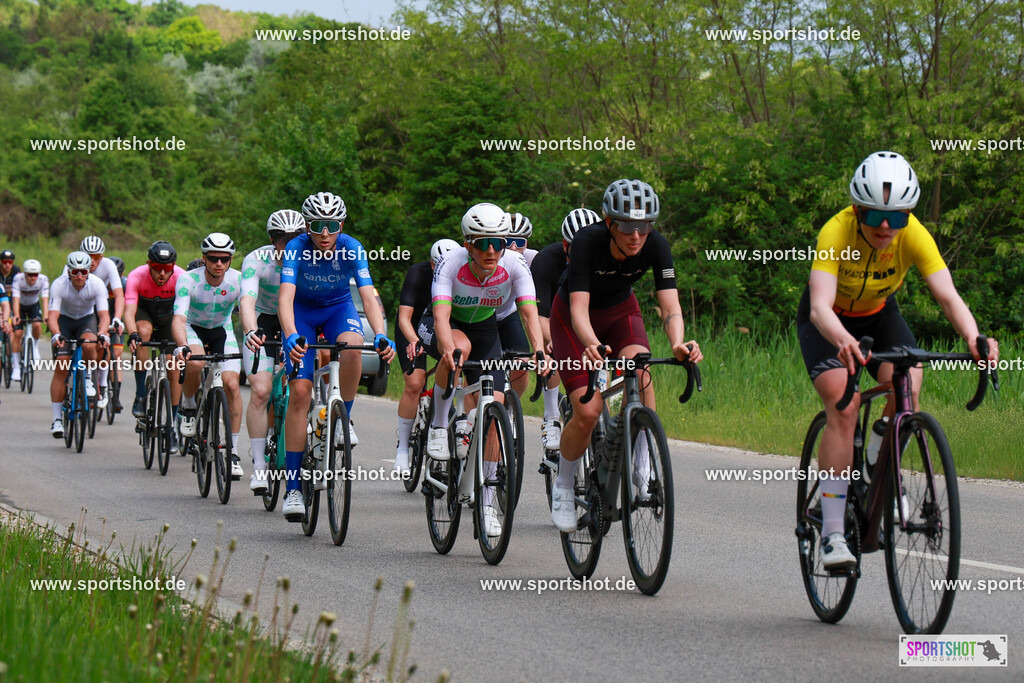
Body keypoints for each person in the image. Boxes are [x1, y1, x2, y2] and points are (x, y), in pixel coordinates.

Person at [798, 151, 998, 569]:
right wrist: (842, 340)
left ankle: (874, 459)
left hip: (879, 314)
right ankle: (833, 531)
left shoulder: (914, 235)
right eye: (874, 217)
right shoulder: (835, 232)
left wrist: (974, 336)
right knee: (844, 404)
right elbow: (820, 307)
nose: (886, 227)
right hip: (830, 321)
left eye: (897, 217)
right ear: (857, 210)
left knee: (909, 385)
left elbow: (947, 295)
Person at [548, 179, 702, 532]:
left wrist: (678, 342)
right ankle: (565, 485)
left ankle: (641, 459)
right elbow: (578, 312)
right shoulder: (588, 242)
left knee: (641, 367)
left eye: (644, 226)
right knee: (588, 410)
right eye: (628, 226)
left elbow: (670, 307)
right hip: (574, 320)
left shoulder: (656, 246)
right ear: (609, 222)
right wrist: (591, 343)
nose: (636, 235)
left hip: (620, 313)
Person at [420, 203, 546, 537]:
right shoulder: (451, 264)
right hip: (442, 325)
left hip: (485, 328)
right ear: (468, 243)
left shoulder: (515, 264)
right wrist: (447, 349)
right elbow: (443, 318)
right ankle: (437, 426)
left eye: (499, 242)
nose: (492, 251)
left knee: (496, 406)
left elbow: (529, 313)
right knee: (459, 349)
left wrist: (539, 351)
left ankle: (488, 502)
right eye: (483, 243)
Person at [279, 192, 395, 521]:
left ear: (341, 225)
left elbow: (368, 294)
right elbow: (285, 297)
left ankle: (344, 418)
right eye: (318, 226)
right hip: (301, 312)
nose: (325, 233)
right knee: (300, 393)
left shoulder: (352, 247)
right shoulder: (296, 248)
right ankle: (291, 487)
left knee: (354, 347)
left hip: (337, 309)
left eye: (332, 226)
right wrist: (289, 334)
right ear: (307, 226)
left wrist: (381, 330)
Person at [240, 209, 305, 494]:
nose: (289, 244)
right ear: (272, 239)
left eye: (295, 238)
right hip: (264, 321)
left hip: (297, 319)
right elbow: (247, 300)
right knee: (261, 390)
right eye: (283, 239)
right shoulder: (256, 260)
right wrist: (251, 330)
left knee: (310, 379)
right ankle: (259, 468)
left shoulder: (311, 258)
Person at [529, 208, 602, 453]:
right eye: (576, 248)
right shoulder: (546, 262)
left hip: (589, 321)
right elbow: (540, 317)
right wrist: (562, 342)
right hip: (554, 320)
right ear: (564, 246)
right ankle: (551, 416)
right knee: (554, 351)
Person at [172, 233, 245, 478]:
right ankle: (190, 407)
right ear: (204, 259)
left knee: (232, 385)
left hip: (221, 330)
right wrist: (182, 345)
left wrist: (252, 335)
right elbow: (179, 318)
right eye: (213, 258)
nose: (219, 264)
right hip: (193, 328)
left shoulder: (238, 280)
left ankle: (233, 452)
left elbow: (247, 311)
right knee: (197, 361)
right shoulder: (188, 280)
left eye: (225, 259)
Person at [393, 238, 460, 474]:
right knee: (415, 382)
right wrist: (413, 340)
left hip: (444, 326)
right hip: (412, 327)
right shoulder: (417, 273)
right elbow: (404, 317)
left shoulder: (461, 275)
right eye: (435, 265)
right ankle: (402, 449)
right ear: (430, 264)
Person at [125, 241, 185, 452]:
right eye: (156, 268)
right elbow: (129, 311)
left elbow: (185, 314)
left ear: (173, 267)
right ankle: (141, 394)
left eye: (166, 269)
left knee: (173, 365)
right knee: (142, 334)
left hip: (169, 317)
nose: (161, 273)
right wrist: (132, 334)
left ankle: (172, 423)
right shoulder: (136, 276)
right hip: (146, 313)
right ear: (148, 264)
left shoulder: (181, 277)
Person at [47, 252, 110, 437]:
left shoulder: (96, 284)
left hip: (86, 320)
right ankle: (57, 420)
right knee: (61, 366)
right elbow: (53, 316)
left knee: (90, 344)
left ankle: (89, 378)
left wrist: (103, 333)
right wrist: (56, 333)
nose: (80, 277)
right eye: (75, 272)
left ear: (88, 271)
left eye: (83, 272)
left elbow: (104, 315)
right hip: (65, 322)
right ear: (69, 271)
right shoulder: (59, 284)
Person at [64, 237, 124, 411]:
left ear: (102, 256)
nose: (93, 261)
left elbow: (119, 295)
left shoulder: (108, 266)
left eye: (97, 257)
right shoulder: (73, 263)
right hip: (77, 308)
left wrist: (117, 318)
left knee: (102, 344)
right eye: (89, 256)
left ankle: (102, 385)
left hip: (101, 307)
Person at [10, 259, 49, 383]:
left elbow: (44, 298)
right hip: (19, 306)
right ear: (25, 274)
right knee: (17, 334)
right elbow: (15, 298)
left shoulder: (43, 279)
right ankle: (16, 366)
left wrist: (46, 315)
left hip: (33, 305)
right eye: (30, 275)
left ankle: (35, 347)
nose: (33, 278)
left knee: (37, 325)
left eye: (35, 275)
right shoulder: (18, 279)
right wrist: (16, 315)